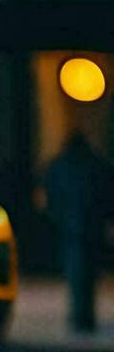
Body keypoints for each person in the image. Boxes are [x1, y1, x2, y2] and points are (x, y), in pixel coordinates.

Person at [44, 131, 113, 333]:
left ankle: (80, 315)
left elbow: (52, 194)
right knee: (86, 272)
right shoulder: (94, 165)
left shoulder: (62, 166)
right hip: (88, 226)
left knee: (77, 271)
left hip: (74, 227)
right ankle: (84, 315)